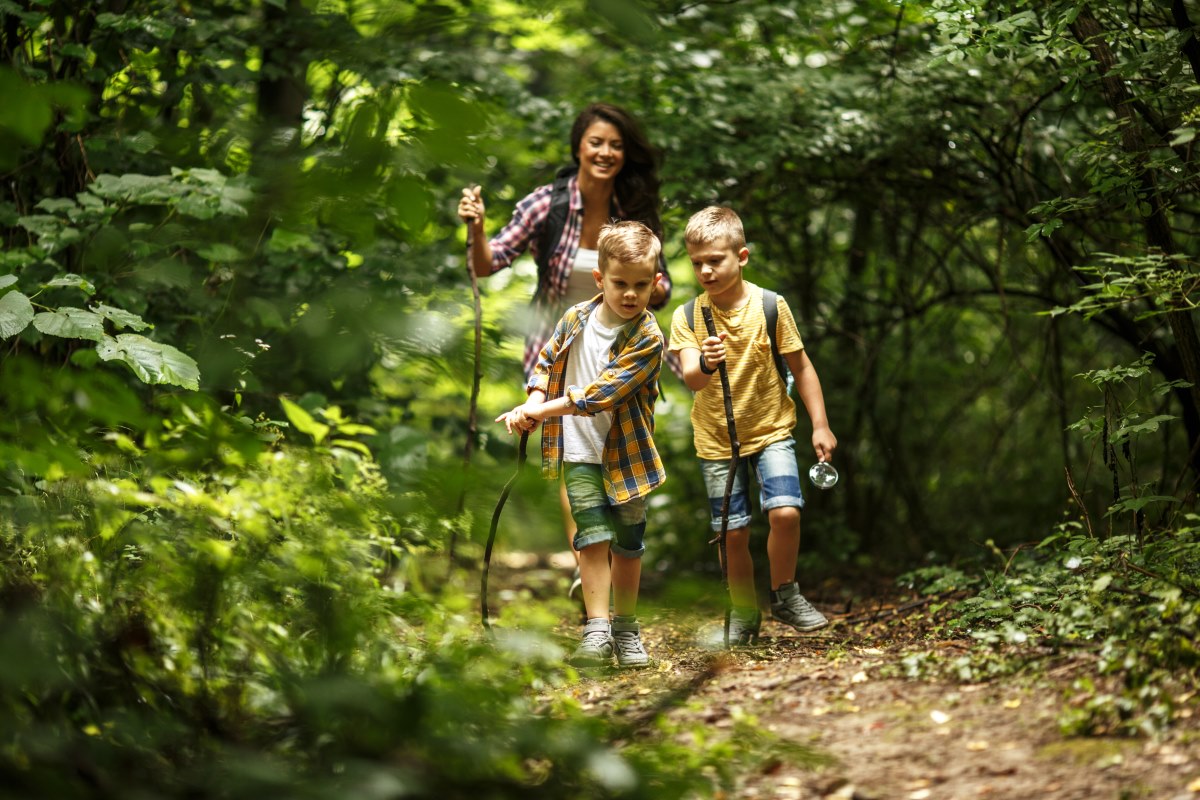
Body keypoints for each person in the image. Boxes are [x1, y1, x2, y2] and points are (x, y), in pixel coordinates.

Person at [458, 103, 673, 602]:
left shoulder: (633, 207)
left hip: (622, 346)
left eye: (616, 145)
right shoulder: (545, 205)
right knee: (572, 446)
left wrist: (642, 287)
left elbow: (658, 287)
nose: (606, 152)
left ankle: (611, 554)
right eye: (596, 142)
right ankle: (587, 559)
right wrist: (475, 228)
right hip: (559, 346)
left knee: (617, 442)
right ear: (579, 145)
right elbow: (487, 264)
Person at [496, 221, 666, 668]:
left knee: (628, 545)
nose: (631, 294)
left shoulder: (648, 338)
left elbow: (600, 394)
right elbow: (547, 360)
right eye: (620, 284)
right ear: (600, 279)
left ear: (656, 283)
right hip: (578, 453)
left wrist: (539, 411)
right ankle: (597, 629)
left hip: (627, 457)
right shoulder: (575, 318)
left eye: (641, 285)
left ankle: (626, 628)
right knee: (590, 540)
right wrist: (532, 399)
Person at [668, 206, 837, 646]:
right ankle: (743, 611)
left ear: (741, 257)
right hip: (716, 437)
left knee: (785, 511)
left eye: (715, 260)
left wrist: (820, 425)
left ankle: (784, 593)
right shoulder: (688, 316)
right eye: (697, 262)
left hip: (772, 428)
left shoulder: (769, 305)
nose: (705, 270)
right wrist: (705, 360)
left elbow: (801, 368)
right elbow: (691, 377)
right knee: (732, 532)